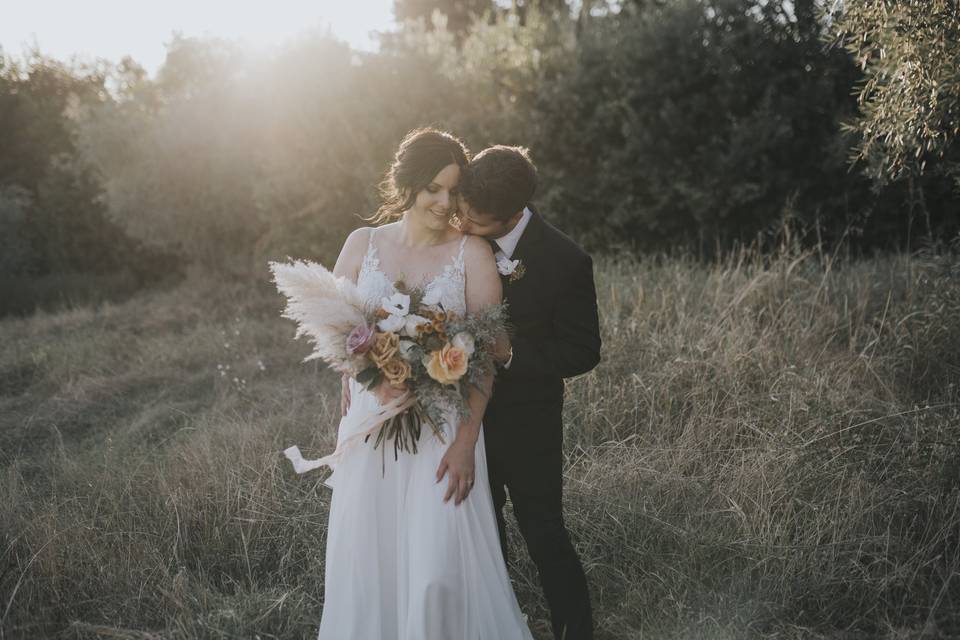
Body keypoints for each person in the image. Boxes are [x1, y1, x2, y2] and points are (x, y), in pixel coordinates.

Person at [317, 128, 535, 639]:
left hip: (444, 430)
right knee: (370, 560)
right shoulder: (362, 244)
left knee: (438, 572)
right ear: (408, 184)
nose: (445, 202)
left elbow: (484, 358)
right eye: (434, 189)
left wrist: (465, 444)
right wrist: (369, 373)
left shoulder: (472, 254)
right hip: (372, 425)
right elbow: (333, 331)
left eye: (455, 191)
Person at [455, 145, 602, 640]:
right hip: (459, 416)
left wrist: (511, 352)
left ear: (511, 215)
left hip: (528, 419)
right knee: (480, 528)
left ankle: (574, 629)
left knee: (543, 530)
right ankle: (499, 622)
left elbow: (583, 352)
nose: (463, 223)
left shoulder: (566, 260)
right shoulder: (453, 238)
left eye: (475, 220)